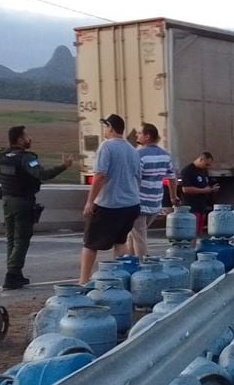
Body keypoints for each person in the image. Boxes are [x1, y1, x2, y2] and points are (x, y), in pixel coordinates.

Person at [0, 125, 74, 289]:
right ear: (19, 140)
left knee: (11, 239)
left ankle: (15, 273)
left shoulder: (2, 156)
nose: (29, 139)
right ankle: (12, 274)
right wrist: (64, 166)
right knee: (22, 240)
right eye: (26, 136)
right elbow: (43, 174)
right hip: (22, 202)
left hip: (7, 201)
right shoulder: (26, 158)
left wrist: (0, 153)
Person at [78, 114, 142, 284]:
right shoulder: (132, 150)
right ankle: (118, 279)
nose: (105, 131)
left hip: (109, 204)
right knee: (120, 242)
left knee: (91, 243)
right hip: (131, 204)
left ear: (111, 128)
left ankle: (83, 281)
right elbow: (138, 177)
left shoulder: (106, 147)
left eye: (106, 127)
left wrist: (90, 201)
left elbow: (99, 175)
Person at [128, 123, 175, 258]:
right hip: (155, 203)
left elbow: (135, 178)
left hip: (140, 202)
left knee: (140, 236)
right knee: (134, 234)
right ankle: (130, 262)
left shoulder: (139, 155)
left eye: (140, 133)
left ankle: (144, 266)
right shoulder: (166, 155)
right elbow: (172, 178)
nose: (137, 135)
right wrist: (173, 197)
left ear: (147, 136)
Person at [179, 152, 220, 234]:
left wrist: (212, 189)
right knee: (191, 231)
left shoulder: (203, 171)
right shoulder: (187, 171)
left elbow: (205, 185)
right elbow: (186, 189)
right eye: (206, 164)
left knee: (198, 231)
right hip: (191, 207)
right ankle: (190, 246)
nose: (207, 167)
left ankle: (195, 246)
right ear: (201, 159)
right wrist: (204, 190)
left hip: (201, 206)